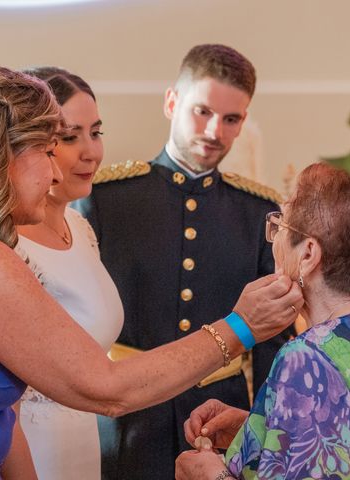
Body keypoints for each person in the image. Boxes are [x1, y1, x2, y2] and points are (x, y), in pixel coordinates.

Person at [0, 64, 304, 479]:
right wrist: (241, 327)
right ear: (0, 154)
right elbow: (105, 388)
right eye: (47, 151)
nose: (56, 173)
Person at [74, 43, 290, 480]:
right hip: (129, 418)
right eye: (202, 111)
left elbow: (272, 338)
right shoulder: (105, 199)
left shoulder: (259, 213)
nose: (214, 131)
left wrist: (267, 431)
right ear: (172, 102)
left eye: (231, 119)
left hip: (222, 413)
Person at [175, 163, 350, 479]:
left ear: (308, 253)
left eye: (282, 224)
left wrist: (211, 476)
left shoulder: (308, 357)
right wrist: (258, 428)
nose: (275, 238)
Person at [13, 67, 121, 479]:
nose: (90, 152)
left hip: (84, 445)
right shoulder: (8, 244)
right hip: (31, 451)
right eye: (71, 137)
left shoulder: (81, 228)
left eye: (96, 132)